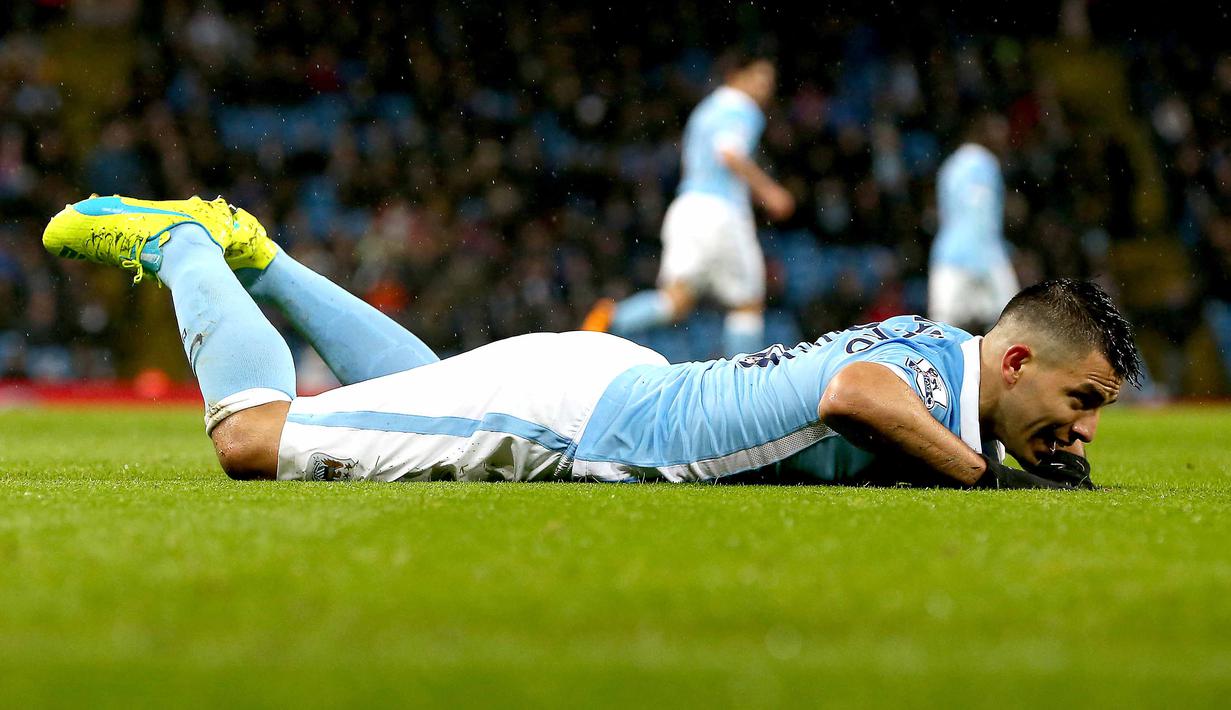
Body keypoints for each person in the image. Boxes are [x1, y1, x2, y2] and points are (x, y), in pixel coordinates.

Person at [44, 194, 1140, 488]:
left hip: (620, 383)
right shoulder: (922, 376)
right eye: (1081, 401)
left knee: (436, 388)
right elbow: (853, 392)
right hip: (581, 416)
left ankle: (262, 259)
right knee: (252, 439)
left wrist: (1011, 457)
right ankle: (186, 241)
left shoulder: (944, 350)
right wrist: (987, 481)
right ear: (1013, 361)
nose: (1083, 429)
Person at [581, 52, 795, 357]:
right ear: (736, 76)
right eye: (759, 79)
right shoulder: (741, 108)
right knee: (747, 304)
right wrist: (769, 191)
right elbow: (729, 152)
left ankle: (610, 318)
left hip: (687, 208)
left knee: (675, 301)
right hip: (721, 212)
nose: (765, 88)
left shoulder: (705, 111)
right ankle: (745, 375)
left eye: (769, 81)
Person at [929, 111, 1019, 334]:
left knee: (941, 335)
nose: (1005, 139)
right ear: (983, 133)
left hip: (948, 256)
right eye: (999, 132)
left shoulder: (950, 165)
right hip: (983, 257)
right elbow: (980, 215)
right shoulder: (985, 162)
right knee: (1013, 328)